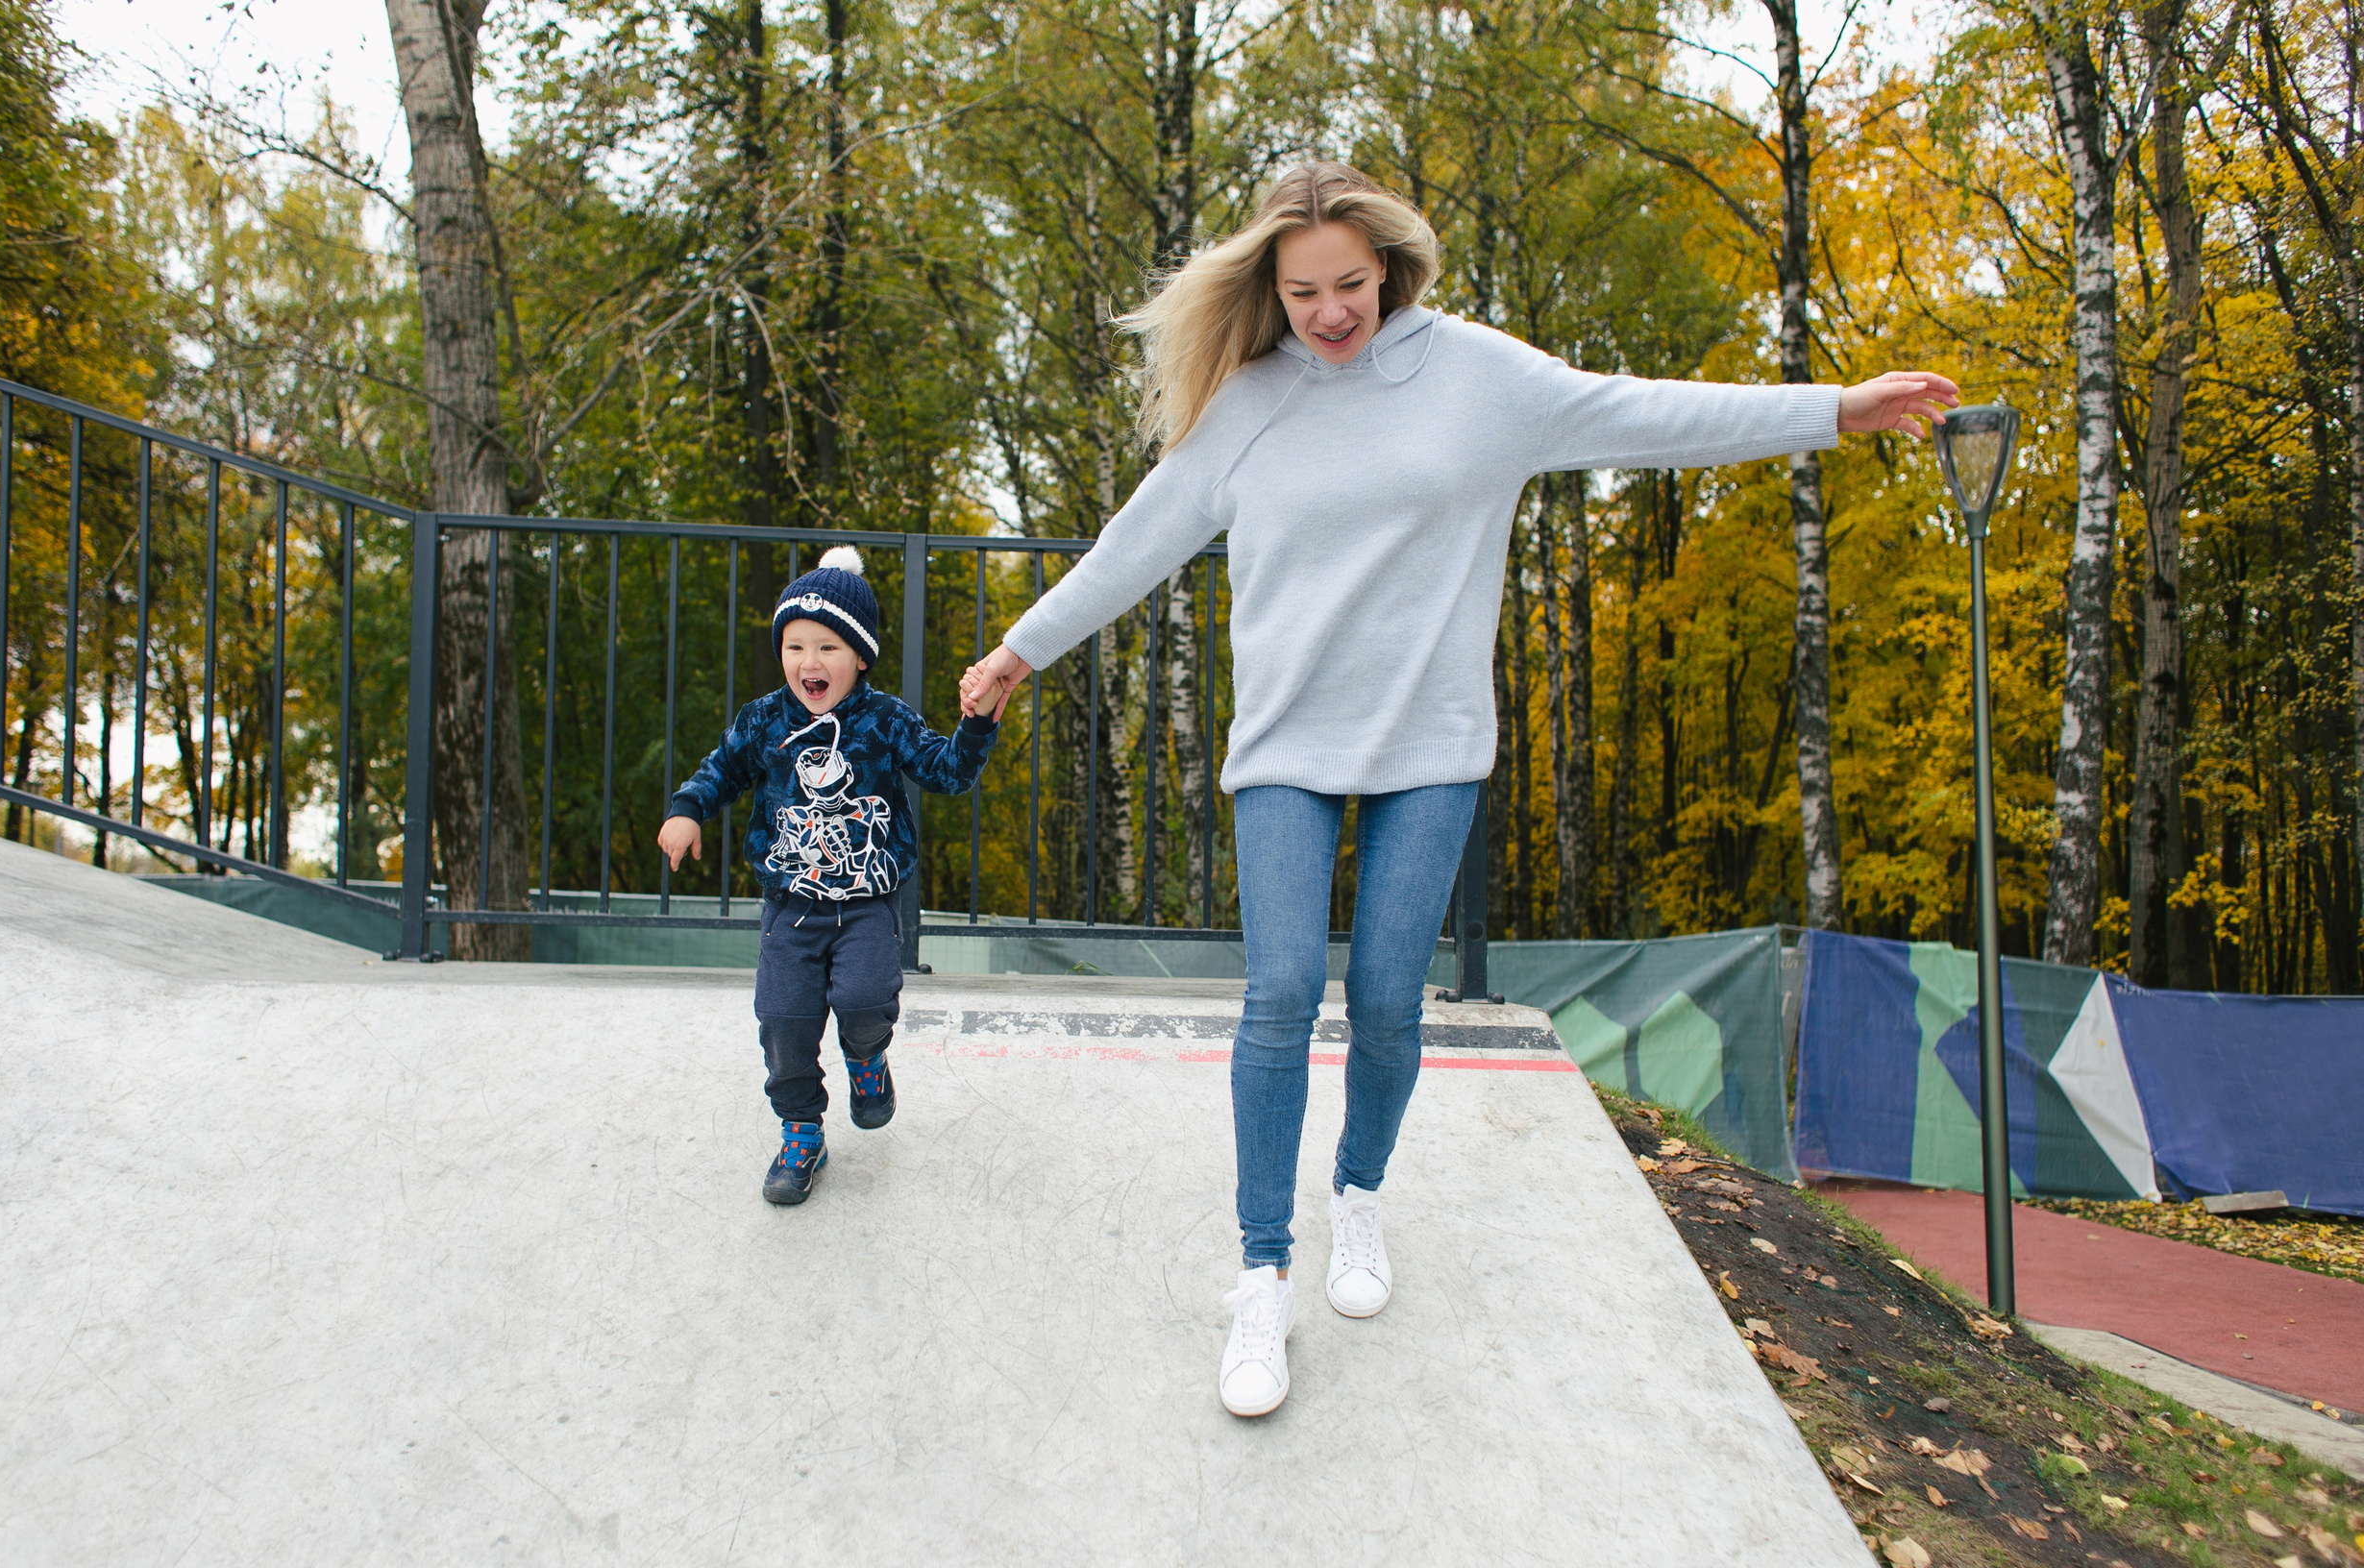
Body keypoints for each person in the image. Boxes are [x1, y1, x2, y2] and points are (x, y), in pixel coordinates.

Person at [961, 160, 1955, 1417]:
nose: (1331, 312)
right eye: (1305, 290)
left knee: (1385, 993)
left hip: (1430, 741)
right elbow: (1138, 541)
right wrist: (1018, 648)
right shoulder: (1249, 403)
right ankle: (1260, 1273)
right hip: (1285, 744)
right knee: (1278, 992)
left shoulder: (1481, 378)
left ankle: (1358, 1192)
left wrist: (1835, 410)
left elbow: (1648, 413)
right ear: (1271, 286)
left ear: (1392, 267)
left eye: (1352, 285)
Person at [661, 546, 1015, 1205]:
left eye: (827, 647)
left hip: (867, 903)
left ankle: (867, 1058)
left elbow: (947, 771)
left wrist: (975, 722)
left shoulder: (883, 720)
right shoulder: (767, 719)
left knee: (862, 998)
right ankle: (802, 1131)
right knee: (783, 1020)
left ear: (859, 657)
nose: (809, 663)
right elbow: (723, 766)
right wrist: (687, 809)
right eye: (795, 647)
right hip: (790, 905)